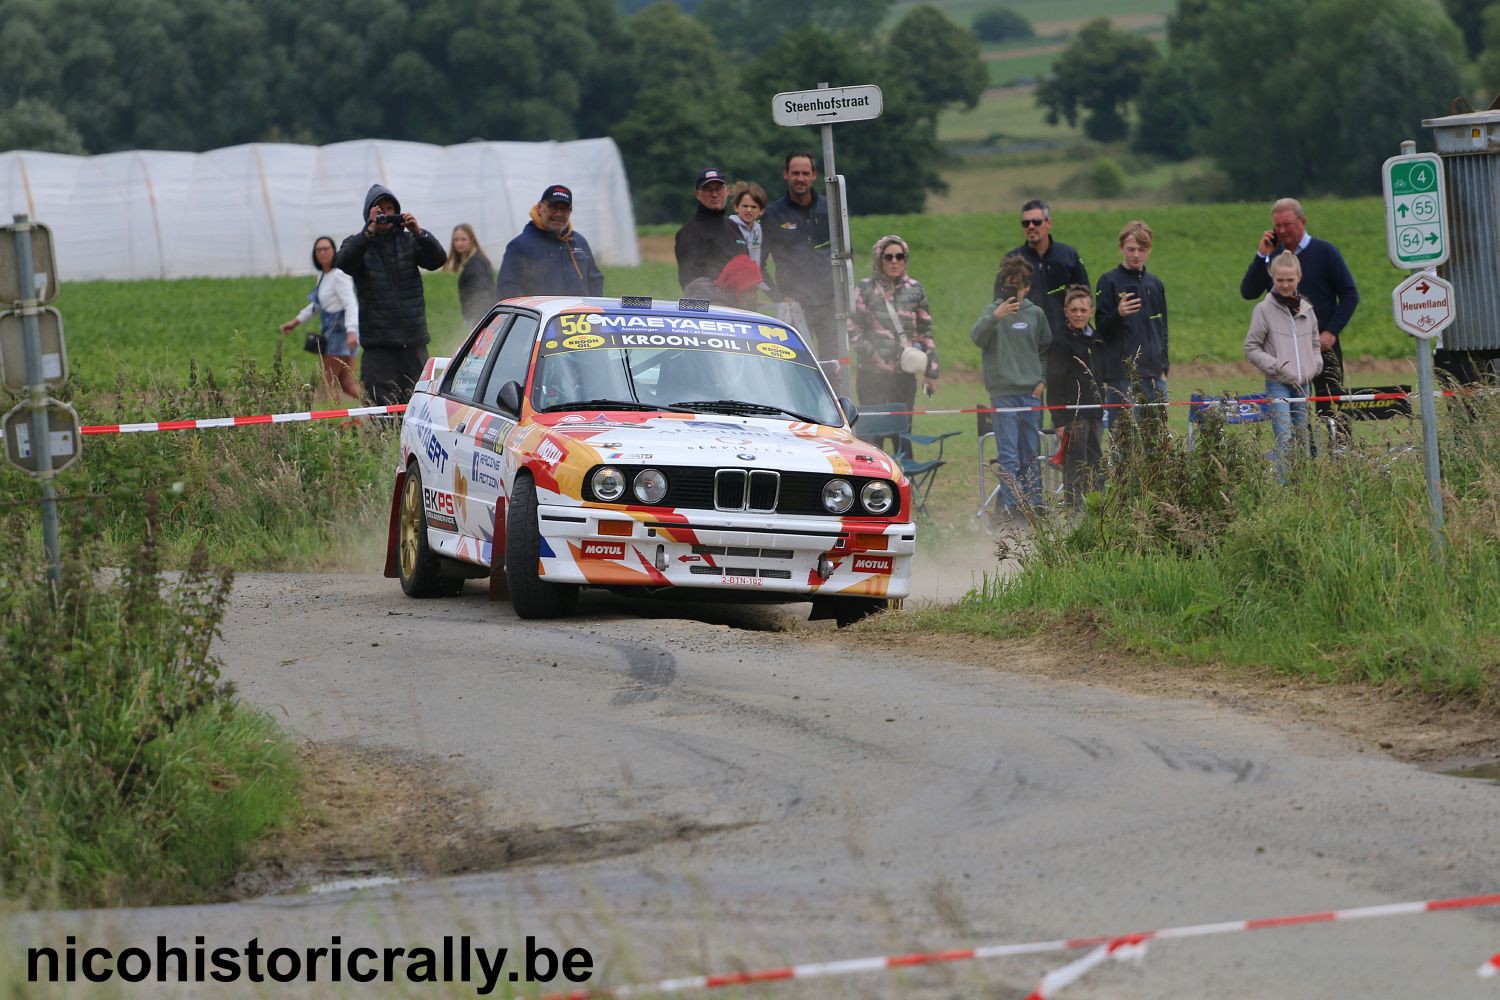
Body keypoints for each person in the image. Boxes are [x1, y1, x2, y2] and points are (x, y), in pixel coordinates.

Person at [1239, 197, 1358, 440]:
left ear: (1302, 222)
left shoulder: (1325, 252)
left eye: (1287, 225)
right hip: (1285, 352)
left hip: (1323, 345)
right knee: (1297, 421)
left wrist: (1331, 331)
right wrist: (1261, 255)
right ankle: (1307, 462)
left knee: (1332, 408)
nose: (1281, 231)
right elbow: (1248, 292)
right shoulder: (1274, 259)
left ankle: (1340, 460)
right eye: (1277, 226)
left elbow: (1349, 294)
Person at [334, 184, 447, 407]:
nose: (385, 213)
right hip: (379, 345)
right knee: (380, 409)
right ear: (369, 214)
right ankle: (382, 442)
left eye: (390, 208)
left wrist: (419, 232)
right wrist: (369, 231)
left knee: (419, 406)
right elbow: (343, 262)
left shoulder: (408, 241)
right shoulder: (358, 243)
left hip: (413, 342)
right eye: (379, 210)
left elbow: (437, 260)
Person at [972, 255, 1051, 520]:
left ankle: (1035, 505)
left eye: (1018, 286)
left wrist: (1042, 379)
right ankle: (1010, 507)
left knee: (1031, 452)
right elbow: (977, 337)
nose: (1013, 291)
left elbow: (1044, 350)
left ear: (1027, 287)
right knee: (1008, 455)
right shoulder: (992, 310)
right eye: (1008, 286)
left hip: (1031, 393)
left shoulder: (1036, 314)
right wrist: (995, 317)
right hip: (1002, 394)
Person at [998, 199, 1088, 431]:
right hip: (1026, 347)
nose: (1030, 226)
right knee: (1029, 411)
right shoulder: (1012, 260)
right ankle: (1032, 462)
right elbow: (999, 303)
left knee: (1067, 411)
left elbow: (1085, 297)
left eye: (1036, 221)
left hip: (1063, 343)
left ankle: (1069, 458)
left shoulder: (1068, 256)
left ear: (1048, 223)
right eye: (1025, 222)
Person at [847, 234, 938, 456]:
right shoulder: (865, 289)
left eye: (900, 256)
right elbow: (852, 327)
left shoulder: (915, 289)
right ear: (879, 259)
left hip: (904, 375)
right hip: (871, 374)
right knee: (872, 439)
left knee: (903, 434)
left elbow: (926, 330)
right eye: (889, 257)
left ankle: (904, 486)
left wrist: (931, 371)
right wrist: (873, 355)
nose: (895, 261)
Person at [1244, 251, 1323, 475]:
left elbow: (1315, 342)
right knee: (1285, 437)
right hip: (1278, 383)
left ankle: (1301, 484)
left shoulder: (1307, 309)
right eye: (1280, 280)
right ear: (1272, 278)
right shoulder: (1263, 309)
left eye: (1290, 280)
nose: (1285, 285)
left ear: (1298, 277)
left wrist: (1315, 365)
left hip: (1303, 383)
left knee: (1302, 437)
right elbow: (1251, 347)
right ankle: (1283, 487)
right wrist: (1276, 367)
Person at [1095, 220, 1169, 426]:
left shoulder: (1155, 284)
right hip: (1122, 375)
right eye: (1131, 249)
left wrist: (1164, 366)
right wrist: (1118, 313)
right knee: (1123, 437)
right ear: (1121, 249)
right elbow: (1100, 329)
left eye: (1141, 249)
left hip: (1155, 374)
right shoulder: (1107, 281)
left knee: (1157, 438)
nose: (1136, 255)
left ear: (1149, 250)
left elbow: (1162, 329)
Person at [763, 153, 836, 359]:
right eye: (795, 173)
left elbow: (845, 253)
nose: (800, 178)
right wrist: (777, 296)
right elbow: (757, 264)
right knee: (796, 365)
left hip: (829, 305)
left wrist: (842, 292)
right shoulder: (772, 214)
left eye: (805, 173)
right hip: (794, 306)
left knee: (835, 365)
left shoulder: (830, 207)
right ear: (786, 175)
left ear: (814, 176)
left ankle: (836, 393)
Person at [279, 236, 361, 402]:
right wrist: (295, 322)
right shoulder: (323, 276)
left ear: (333, 251)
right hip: (336, 335)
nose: (322, 252)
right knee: (347, 384)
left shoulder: (339, 275)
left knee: (327, 383)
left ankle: (328, 422)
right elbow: (317, 305)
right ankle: (381, 409)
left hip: (341, 336)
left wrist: (352, 332)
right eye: (319, 250)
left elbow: (351, 304)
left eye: (326, 249)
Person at [495, 184, 604, 301]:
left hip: (581, 318)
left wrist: (593, 310)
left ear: (570, 211)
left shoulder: (579, 242)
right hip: (543, 318)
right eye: (553, 207)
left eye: (564, 209)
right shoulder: (519, 246)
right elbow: (508, 290)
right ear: (539, 207)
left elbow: (595, 279)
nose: (558, 214)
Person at [1055, 284, 1106, 507]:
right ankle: (1074, 512)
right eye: (1074, 310)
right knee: (1076, 466)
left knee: (1096, 464)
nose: (1078, 314)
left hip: (1095, 413)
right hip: (1073, 415)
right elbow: (1053, 383)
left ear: (1091, 311)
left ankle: (1096, 511)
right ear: (1066, 311)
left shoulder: (1096, 339)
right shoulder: (1060, 341)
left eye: (1083, 310)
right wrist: (1058, 420)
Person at [674, 168, 742, 291]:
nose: (714, 194)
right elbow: (689, 282)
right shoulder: (689, 232)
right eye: (708, 189)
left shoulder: (733, 227)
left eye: (719, 189)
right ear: (697, 194)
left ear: (727, 190)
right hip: (712, 306)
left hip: (740, 306)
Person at [446, 223, 494, 329]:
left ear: (471, 240)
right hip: (481, 316)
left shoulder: (475, 265)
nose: (459, 243)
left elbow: (481, 295)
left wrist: (477, 321)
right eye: (456, 240)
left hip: (479, 318)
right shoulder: (473, 261)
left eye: (463, 239)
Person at [727, 180, 768, 278]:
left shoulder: (758, 229)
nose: (749, 210)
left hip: (750, 284)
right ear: (736, 207)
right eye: (745, 206)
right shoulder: (729, 226)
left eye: (753, 207)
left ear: (761, 210)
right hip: (730, 284)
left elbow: (756, 259)